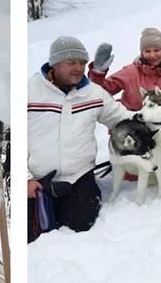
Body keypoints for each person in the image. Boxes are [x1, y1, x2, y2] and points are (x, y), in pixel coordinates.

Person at [27, 36, 131, 240]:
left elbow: (122, 119)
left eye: (82, 63)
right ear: (55, 63)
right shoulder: (29, 92)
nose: (78, 68)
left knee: (79, 229)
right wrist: (26, 179)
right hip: (36, 181)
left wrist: (160, 119)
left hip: (78, 177)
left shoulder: (93, 94)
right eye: (71, 63)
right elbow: (11, 138)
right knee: (30, 235)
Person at [88, 28, 161, 115]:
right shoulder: (131, 72)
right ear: (142, 53)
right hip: (132, 120)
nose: (152, 55)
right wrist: (98, 73)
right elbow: (103, 91)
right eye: (147, 51)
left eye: (157, 50)